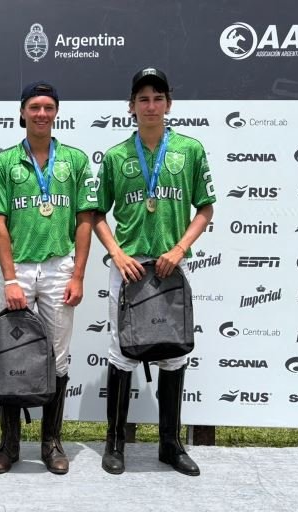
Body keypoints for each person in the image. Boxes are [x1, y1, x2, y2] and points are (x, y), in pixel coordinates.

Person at [93, 67, 216, 476]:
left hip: (171, 267)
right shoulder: (116, 156)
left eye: (158, 98)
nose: (151, 105)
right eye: (143, 99)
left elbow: (206, 208)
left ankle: (170, 444)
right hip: (128, 269)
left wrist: (179, 249)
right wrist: (117, 254)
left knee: (174, 354)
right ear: (131, 106)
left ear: (169, 104)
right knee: (122, 353)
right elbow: (96, 213)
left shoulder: (190, 150)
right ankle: (115, 443)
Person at [0, 81, 97, 475]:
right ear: (22, 112)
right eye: (34, 107)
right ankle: (9, 445)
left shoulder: (76, 160)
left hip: (59, 267)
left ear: (56, 112)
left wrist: (78, 275)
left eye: (48, 107)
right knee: (11, 354)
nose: (42, 114)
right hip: (18, 268)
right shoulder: (4, 162)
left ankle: (51, 443)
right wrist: (10, 279)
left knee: (58, 359)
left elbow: (85, 220)